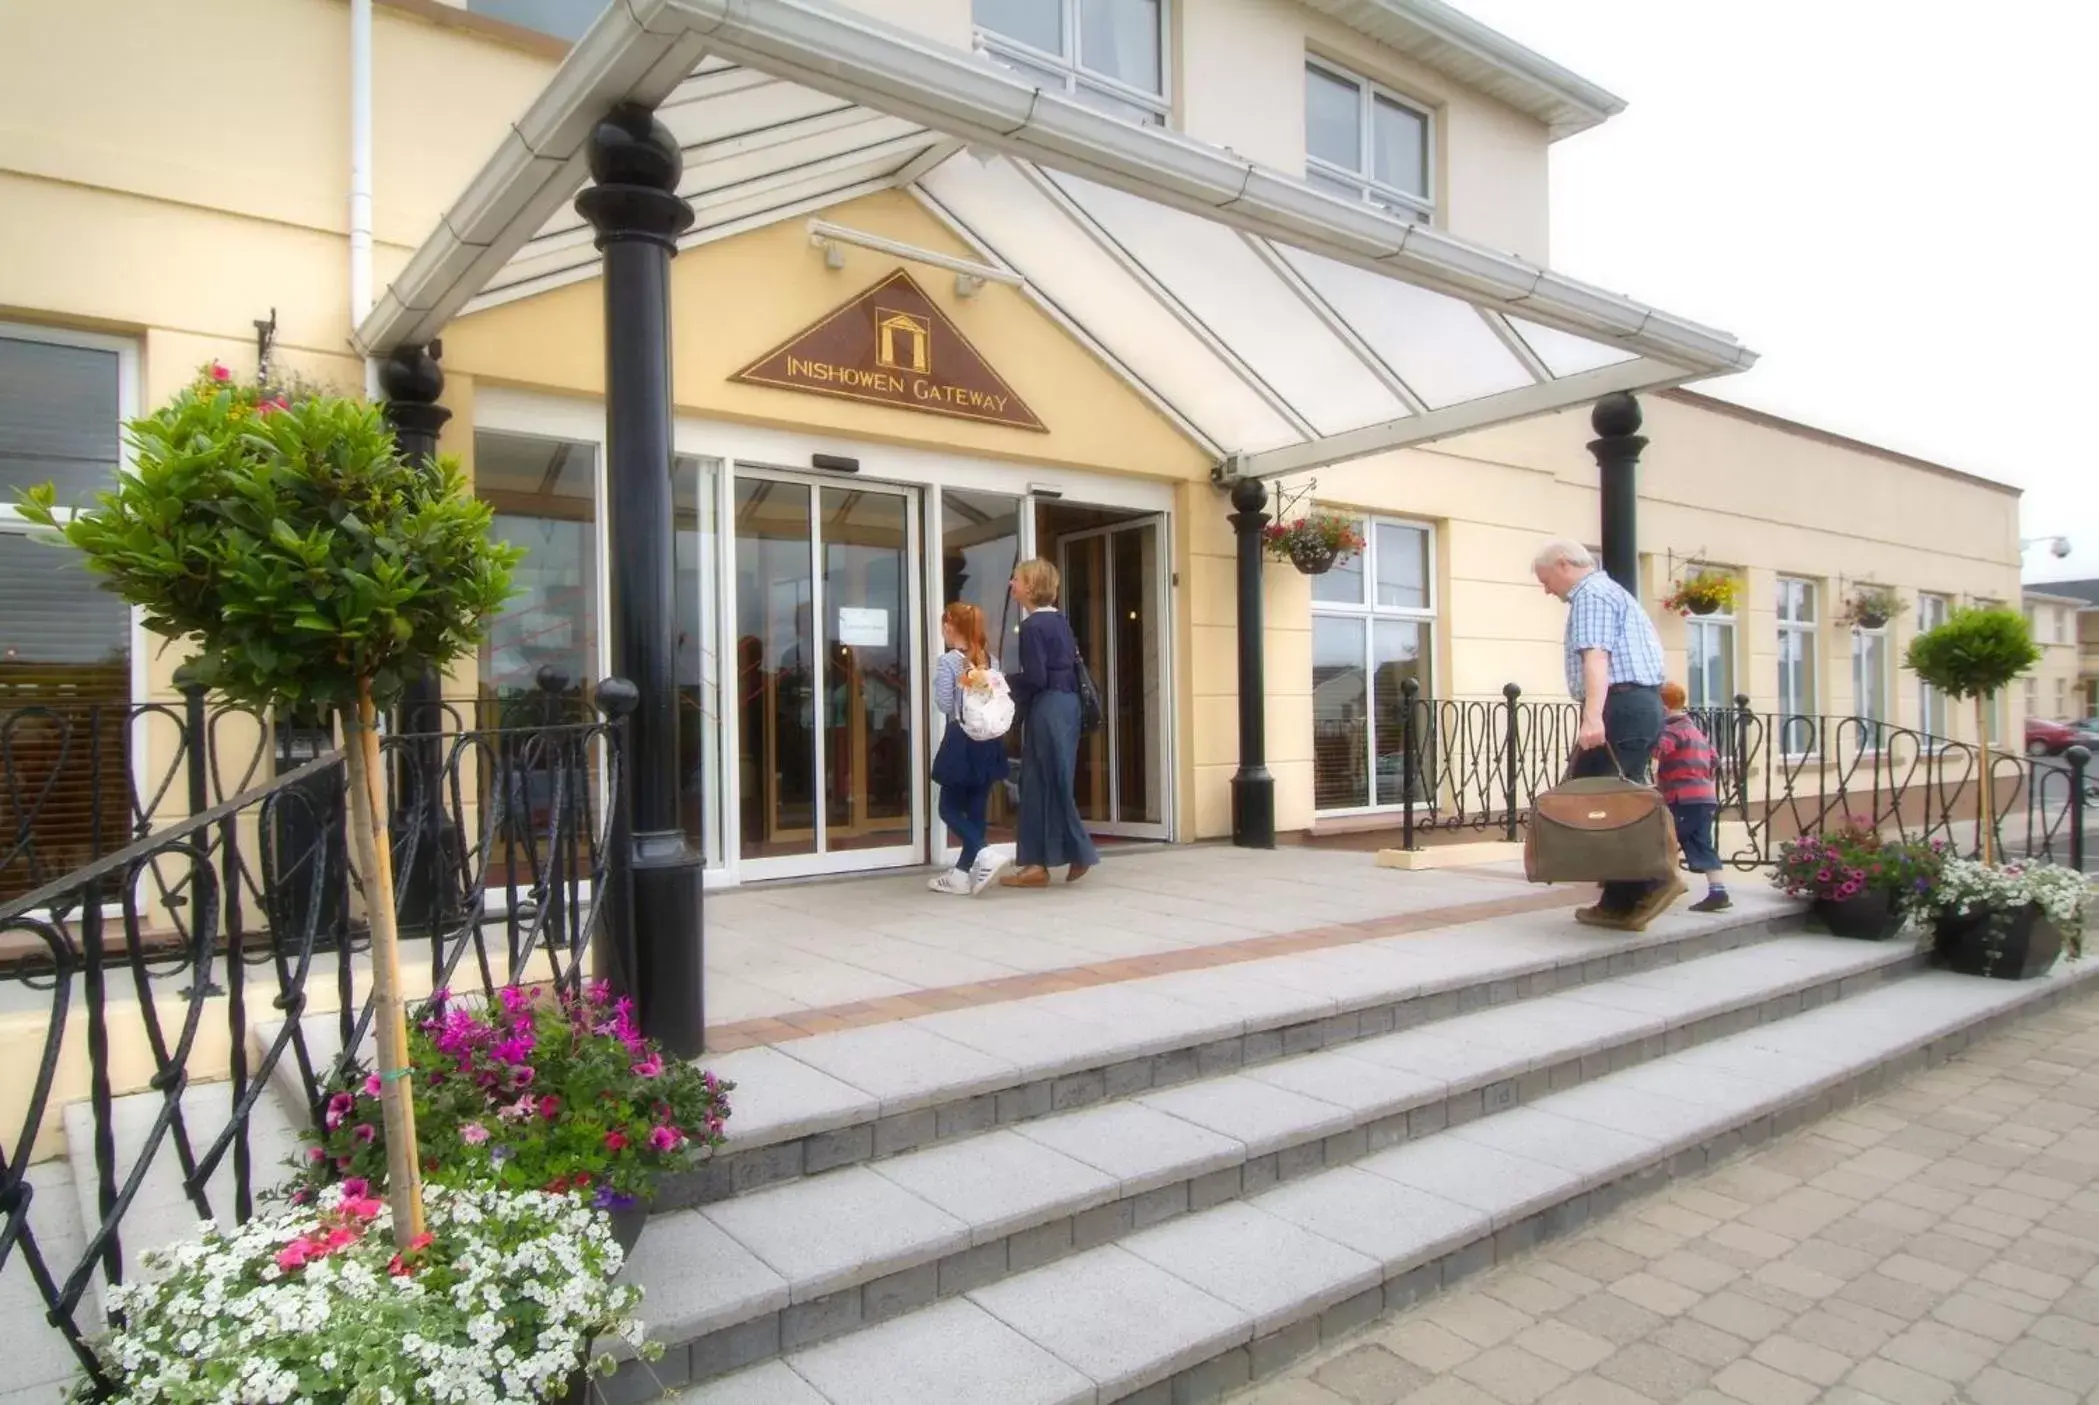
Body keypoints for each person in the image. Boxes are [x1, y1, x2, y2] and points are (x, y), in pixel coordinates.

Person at [1532, 539, 1683, 929]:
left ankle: (1651, 881)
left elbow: (1595, 656)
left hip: (1621, 705)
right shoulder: (1611, 591)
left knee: (1600, 801)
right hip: (1638, 705)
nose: (1545, 590)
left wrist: (1593, 717)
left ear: (1563, 564)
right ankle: (1622, 901)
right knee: (1613, 799)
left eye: (1545, 579)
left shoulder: (1591, 595)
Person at [1001, 558, 1099, 888]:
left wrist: (1002, 682)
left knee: (1041, 781)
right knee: (1049, 779)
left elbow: (1037, 678)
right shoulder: (1058, 621)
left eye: (1015, 579)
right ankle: (1038, 863)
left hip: (1049, 707)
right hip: (1067, 706)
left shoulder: (1031, 628)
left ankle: (1066, 856)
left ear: (1029, 587)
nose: (1011, 584)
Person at [928, 602, 1010, 896]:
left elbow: (945, 705)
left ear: (949, 627)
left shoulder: (949, 661)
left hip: (961, 739)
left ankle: (984, 852)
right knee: (976, 807)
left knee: (947, 807)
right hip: (989, 740)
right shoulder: (993, 660)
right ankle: (962, 875)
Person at [1656, 681, 1730, 912]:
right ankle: (1716, 890)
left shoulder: (1672, 729)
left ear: (1663, 707)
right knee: (1698, 841)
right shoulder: (1695, 730)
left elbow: (1657, 751)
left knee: (1670, 840)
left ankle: (1669, 883)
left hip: (1683, 797)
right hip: (1704, 796)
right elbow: (1715, 760)